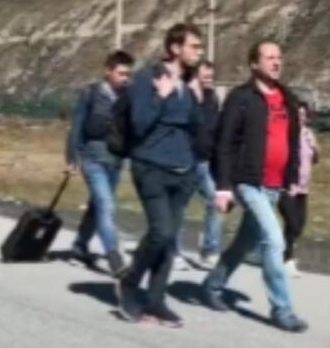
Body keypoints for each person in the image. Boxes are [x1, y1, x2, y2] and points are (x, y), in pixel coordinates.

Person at [201, 40, 308, 332]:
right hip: (248, 182)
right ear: (253, 63)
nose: (276, 62)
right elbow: (223, 143)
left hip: (275, 184)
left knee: (244, 243)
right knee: (274, 240)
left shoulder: (288, 98)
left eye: (278, 57)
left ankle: (212, 285)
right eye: (269, 57)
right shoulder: (241, 97)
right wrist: (223, 185)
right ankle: (282, 310)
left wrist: (292, 178)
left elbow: (292, 142)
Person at [116, 23, 205, 326]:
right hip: (151, 166)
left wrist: (197, 100)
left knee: (169, 240)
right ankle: (130, 282)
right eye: (194, 46)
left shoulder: (190, 83)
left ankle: (156, 301)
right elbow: (139, 123)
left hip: (183, 171)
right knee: (161, 231)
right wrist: (161, 96)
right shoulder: (147, 78)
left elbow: (197, 127)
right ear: (175, 48)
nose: (199, 52)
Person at [66, 50, 133, 274]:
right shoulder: (91, 94)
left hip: (116, 160)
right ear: (108, 71)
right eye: (121, 73)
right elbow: (77, 127)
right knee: (106, 205)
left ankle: (79, 247)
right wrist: (72, 158)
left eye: (128, 74)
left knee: (98, 205)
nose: (125, 78)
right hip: (92, 158)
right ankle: (114, 257)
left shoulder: (129, 97)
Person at [173, 59, 223, 270]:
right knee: (179, 208)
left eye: (212, 76)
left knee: (216, 202)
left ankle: (210, 250)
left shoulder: (212, 98)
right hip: (185, 161)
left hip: (204, 162)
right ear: (195, 75)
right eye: (205, 75)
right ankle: (173, 253)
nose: (210, 79)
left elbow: (215, 128)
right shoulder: (185, 95)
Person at [279, 101, 319, 277]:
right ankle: (286, 258)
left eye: (304, 115)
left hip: (303, 188)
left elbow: (315, 159)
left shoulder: (308, 133)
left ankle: (283, 253)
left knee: (299, 225)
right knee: (292, 223)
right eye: (298, 114)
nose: (301, 118)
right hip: (287, 186)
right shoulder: (287, 133)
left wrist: (313, 146)